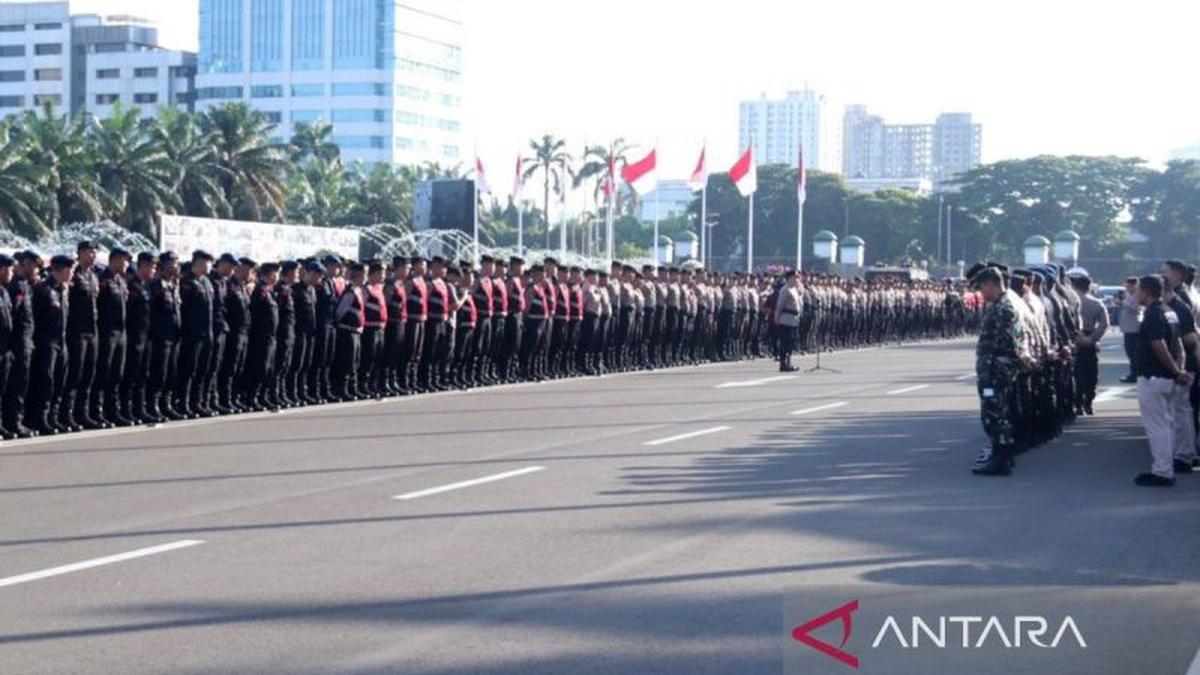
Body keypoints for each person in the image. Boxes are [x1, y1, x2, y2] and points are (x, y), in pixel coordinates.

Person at [972, 266, 1034, 477]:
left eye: (982, 287)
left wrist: (1000, 367)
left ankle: (1001, 459)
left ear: (991, 284)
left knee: (994, 413)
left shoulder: (1003, 307)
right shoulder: (1002, 304)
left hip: (995, 372)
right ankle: (1003, 455)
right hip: (995, 370)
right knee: (997, 412)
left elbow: (1012, 342)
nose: (981, 292)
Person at [1132, 275, 1192, 487]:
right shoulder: (1170, 312)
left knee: (1157, 426)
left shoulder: (1153, 314)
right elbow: (1179, 345)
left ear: (1147, 292)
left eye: (1138, 290)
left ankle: (1162, 471)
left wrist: (1176, 371)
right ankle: (1166, 467)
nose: (1135, 293)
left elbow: (1159, 346)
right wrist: (1179, 370)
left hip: (1154, 377)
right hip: (1168, 378)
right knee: (1167, 425)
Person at [27, 255, 74, 435]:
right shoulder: (43, 290)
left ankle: (53, 418)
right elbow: (35, 318)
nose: (71, 274)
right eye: (69, 270)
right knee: (45, 381)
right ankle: (40, 418)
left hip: (61, 341)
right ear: (59, 270)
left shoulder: (64, 289)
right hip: (46, 342)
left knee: (59, 380)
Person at [64, 240, 101, 429]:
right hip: (76, 331)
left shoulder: (94, 276)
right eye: (89, 252)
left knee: (88, 374)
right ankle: (67, 414)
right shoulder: (74, 275)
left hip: (92, 331)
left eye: (94, 252)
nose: (92, 255)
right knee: (75, 375)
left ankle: (82, 413)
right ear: (79, 253)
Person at [3, 251, 39, 438]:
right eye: (32, 264)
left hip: (24, 343)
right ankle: (10, 422)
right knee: (12, 386)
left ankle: (15, 421)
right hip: (14, 344)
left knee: (20, 384)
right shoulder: (14, 287)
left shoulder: (25, 286)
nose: (36, 268)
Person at [176, 250, 215, 418]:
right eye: (207, 262)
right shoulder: (187, 282)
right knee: (189, 370)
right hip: (192, 334)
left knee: (202, 370)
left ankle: (196, 403)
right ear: (198, 262)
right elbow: (183, 309)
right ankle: (183, 404)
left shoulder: (206, 282)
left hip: (207, 333)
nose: (209, 266)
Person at [94, 248, 131, 425]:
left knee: (117, 374)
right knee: (104, 373)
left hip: (121, 332)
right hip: (106, 332)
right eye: (124, 260)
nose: (127, 264)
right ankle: (96, 411)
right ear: (114, 260)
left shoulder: (121, 281)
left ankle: (113, 411)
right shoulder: (103, 280)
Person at [148, 251, 183, 422]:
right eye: (172, 263)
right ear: (164, 265)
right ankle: (153, 405)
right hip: (160, 336)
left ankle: (166, 405)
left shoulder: (174, 284)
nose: (176, 266)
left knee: (171, 372)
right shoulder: (156, 285)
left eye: (177, 263)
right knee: (159, 373)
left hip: (174, 335)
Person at [122, 253, 157, 423]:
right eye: (151, 266)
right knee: (131, 374)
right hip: (134, 337)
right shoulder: (132, 287)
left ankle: (139, 408)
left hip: (146, 336)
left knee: (143, 374)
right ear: (142, 266)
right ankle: (126, 409)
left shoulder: (147, 286)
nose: (154, 270)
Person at [1070, 274, 1109, 415]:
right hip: (1090, 338)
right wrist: (1092, 338)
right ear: (1089, 287)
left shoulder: (1070, 301)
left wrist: (1076, 336)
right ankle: (1089, 402)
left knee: (1076, 373)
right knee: (1091, 373)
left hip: (1074, 340)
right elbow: (1104, 324)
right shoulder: (1097, 303)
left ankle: (1078, 402)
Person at [773, 271, 802, 372]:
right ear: (790, 278)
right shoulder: (785, 290)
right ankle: (783, 364)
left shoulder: (794, 289)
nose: (797, 279)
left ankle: (788, 362)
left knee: (790, 343)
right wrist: (776, 318)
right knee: (785, 343)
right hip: (786, 320)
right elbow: (780, 306)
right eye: (795, 277)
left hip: (793, 320)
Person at [1119, 277, 1142, 383]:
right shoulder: (1129, 295)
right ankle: (1134, 373)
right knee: (1130, 352)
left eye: (1128, 285)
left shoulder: (1138, 295)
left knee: (1133, 353)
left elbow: (1136, 310)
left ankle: (1135, 374)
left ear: (1134, 285)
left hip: (1134, 328)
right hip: (1128, 328)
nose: (1126, 287)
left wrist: (1123, 304)